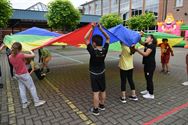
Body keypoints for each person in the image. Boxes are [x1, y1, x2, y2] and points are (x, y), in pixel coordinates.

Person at [9, 42, 46, 108]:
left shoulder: (10, 57)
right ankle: (37, 102)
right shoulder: (21, 55)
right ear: (20, 49)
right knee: (32, 88)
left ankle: (24, 103)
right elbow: (33, 55)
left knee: (22, 89)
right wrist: (30, 50)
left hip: (17, 75)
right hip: (24, 75)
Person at [84, 23, 110, 116]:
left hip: (94, 74)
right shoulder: (105, 50)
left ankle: (95, 110)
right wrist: (101, 29)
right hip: (102, 72)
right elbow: (108, 38)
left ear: (94, 43)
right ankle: (102, 105)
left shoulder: (92, 51)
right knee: (103, 90)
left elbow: (85, 38)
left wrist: (91, 28)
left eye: (92, 42)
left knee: (96, 92)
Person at [135, 34, 157, 99]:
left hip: (150, 65)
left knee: (149, 79)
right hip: (147, 64)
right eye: (146, 37)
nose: (146, 38)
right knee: (147, 78)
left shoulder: (152, 46)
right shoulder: (147, 44)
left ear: (151, 39)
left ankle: (151, 94)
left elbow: (145, 54)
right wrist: (140, 35)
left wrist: (137, 50)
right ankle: (148, 90)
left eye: (148, 37)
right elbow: (140, 42)